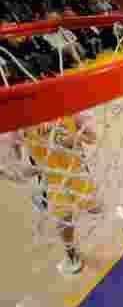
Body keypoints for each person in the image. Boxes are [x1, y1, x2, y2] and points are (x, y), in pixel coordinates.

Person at [23, 110, 99, 275]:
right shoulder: (20, 125)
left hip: (77, 171)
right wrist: (34, 169)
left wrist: (75, 138)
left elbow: (92, 138)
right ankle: (71, 253)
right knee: (64, 218)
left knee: (94, 207)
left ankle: (90, 206)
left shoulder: (69, 110)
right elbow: (20, 168)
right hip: (52, 181)